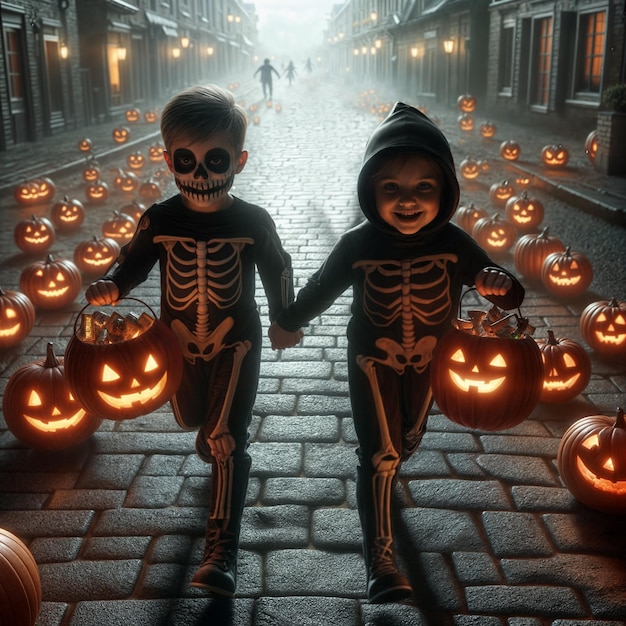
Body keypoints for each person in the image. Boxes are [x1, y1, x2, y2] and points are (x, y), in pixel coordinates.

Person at [268, 102, 525, 604]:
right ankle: (381, 561)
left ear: (444, 191)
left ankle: (399, 454)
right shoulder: (357, 245)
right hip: (372, 357)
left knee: (407, 438)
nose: (408, 200)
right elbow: (322, 288)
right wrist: (289, 321)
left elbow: (503, 288)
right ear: (372, 191)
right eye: (392, 189)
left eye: (423, 188)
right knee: (379, 454)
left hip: (434, 359)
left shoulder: (455, 243)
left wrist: (498, 284)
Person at [85, 84, 296, 598]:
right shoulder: (160, 219)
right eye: (187, 160)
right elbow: (132, 260)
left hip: (235, 343)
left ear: (239, 161)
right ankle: (212, 438)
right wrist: (114, 283)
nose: (200, 174)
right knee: (193, 419)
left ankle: (219, 552)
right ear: (169, 160)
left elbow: (278, 267)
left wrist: (285, 318)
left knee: (226, 438)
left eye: (215, 159)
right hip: (174, 345)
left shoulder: (252, 221)